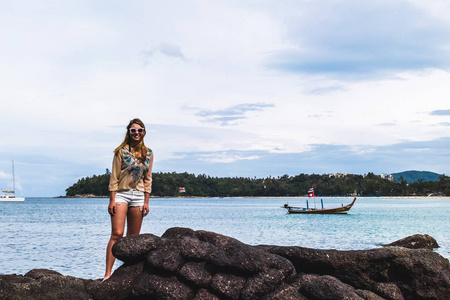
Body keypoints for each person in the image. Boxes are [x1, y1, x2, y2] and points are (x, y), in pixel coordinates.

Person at [103, 118, 154, 281]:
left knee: (133, 240)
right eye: (133, 130)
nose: (136, 133)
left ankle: (127, 276)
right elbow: (114, 176)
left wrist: (146, 201)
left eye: (140, 130)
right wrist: (112, 199)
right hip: (121, 194)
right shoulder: (121, 151)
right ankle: (108, 274)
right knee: (117, 234)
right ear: (129, 132)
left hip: (139, 196)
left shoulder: (149, 153)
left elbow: (148, 178)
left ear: (144, 132)